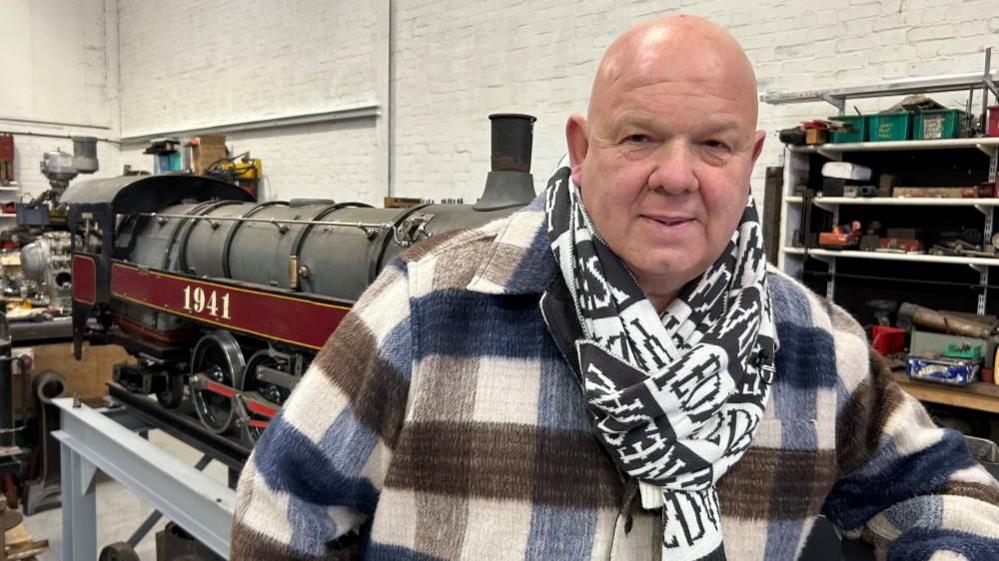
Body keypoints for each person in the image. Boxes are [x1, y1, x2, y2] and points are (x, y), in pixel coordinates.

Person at [231, 14, 999, 561]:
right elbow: (280, 512)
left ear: (750, 157)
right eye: (639, 137)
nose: (675, 176)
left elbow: (954, 493)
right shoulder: (429, 312)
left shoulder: (818, 349)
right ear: (581, 145)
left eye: (713, 144)